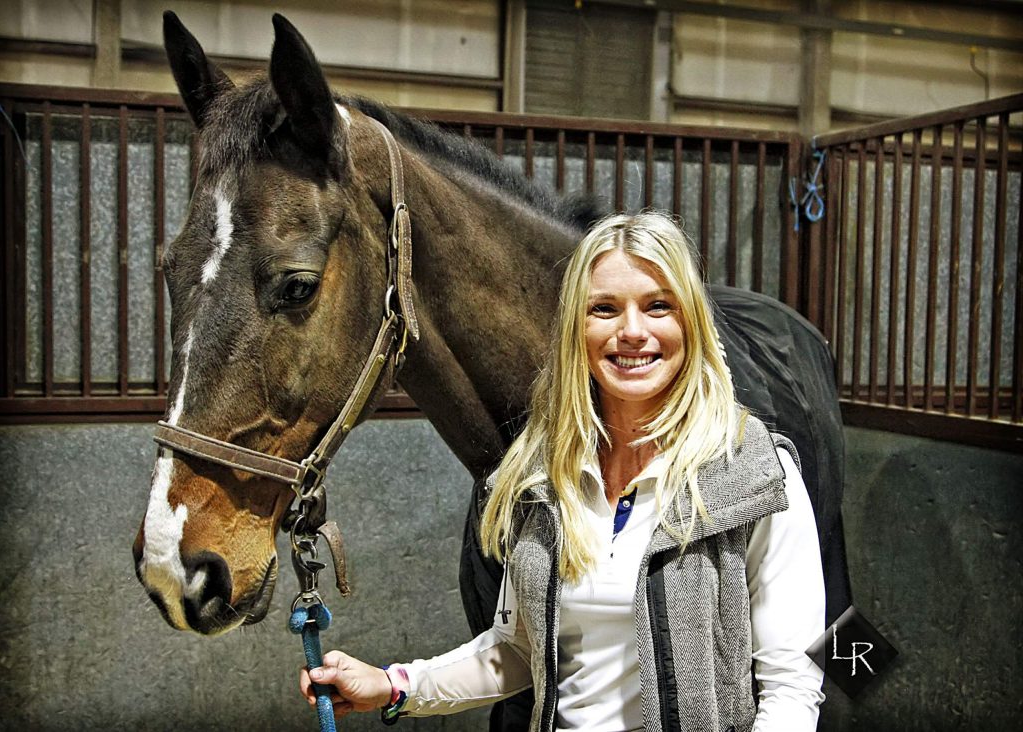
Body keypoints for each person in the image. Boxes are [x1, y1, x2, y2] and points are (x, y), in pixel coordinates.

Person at [299, 211, 826, 731]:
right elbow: (517, 650)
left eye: (658, 306)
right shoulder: (544, 477)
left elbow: (791, 686)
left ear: (690, 322)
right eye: (604, 308)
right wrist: (395, 684)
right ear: (577, 326)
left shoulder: (754, 473)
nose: (632, 331)